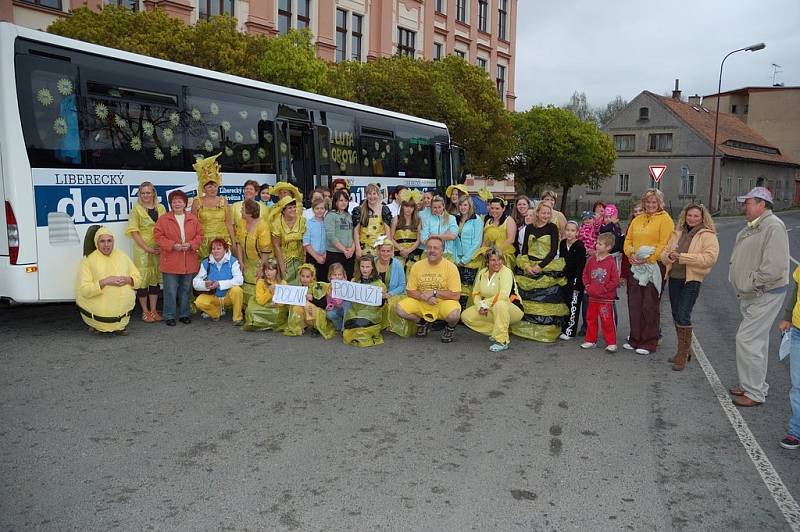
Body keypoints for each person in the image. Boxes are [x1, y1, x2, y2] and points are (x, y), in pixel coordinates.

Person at [728, 187, 789, 407]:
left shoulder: (773, 226)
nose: (745, 206)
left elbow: (774, 267)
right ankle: (753, 385)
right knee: (757, 342)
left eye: (749, 202)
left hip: (764, 293)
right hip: (753, 293)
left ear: (762, 204)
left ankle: (754, 392)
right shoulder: (757, 226)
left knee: (747, 340)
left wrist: (751, 283)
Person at [661, 203, 719, 371]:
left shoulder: (707, 235)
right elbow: (664, 253)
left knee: (683, 314)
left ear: (702, 218)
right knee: (675, 314)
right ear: (684, 216)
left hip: (691, 280)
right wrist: (669, 257)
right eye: (689, 215)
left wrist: (683, 257)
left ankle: (682, 354)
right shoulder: (678, 233)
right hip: (674, 277)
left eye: (696, 216)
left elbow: (709, 258)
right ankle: (684, 351)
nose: (692, 219)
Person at [623, 188, 674, 355]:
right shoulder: (638, 219)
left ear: (660, 203)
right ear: (644, 203)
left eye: (654, 202)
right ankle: (634, 339)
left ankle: (649, 342)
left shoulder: (665, 220)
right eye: (648, 202)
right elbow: (628, 239)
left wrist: (648, 259)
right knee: (634, 303)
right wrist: (630, 254)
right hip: (635, 265)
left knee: (649, 305)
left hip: (654, 266)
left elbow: (664, 244)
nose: (651, 205)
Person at [511, 202, 568, 342]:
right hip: (529, 264)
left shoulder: (552, 228)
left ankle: (544, 330)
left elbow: (553, 251)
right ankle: (523, 327)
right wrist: (526, 266)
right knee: (525, 297)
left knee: (544, 299)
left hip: (546, 265)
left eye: (548, 213)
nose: (546, 216)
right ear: (537, 213)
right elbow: (524, 249)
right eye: (543, 213)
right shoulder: (529, 228)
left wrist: (540, 266)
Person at [396, 236, 462, 343]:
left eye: (436, 248)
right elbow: (410, 291)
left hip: (442, 303)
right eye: (429, 247)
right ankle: (422, 323)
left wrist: (434, 293)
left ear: (442, 251)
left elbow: (455, 295)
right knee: (400, 309)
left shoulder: (451, 267)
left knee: (454, 315)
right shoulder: (417, 266)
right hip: (422, 301)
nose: (432, 250)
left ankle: (449, 328)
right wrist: (425, 297)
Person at [76, 227, 141, 335]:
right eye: (102, 241)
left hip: (123, 319)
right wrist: (105, 282)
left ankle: (119, 326)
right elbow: (84, 290)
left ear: (113, 242)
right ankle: (97, 325)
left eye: (109, 241)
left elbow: (138, 279)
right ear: (97, 243)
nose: (106, 244)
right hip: (98, 317)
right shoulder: (88, 260)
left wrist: (128, 280)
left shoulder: (122, 256)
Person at [154, 190, 203, 326]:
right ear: (170, 204)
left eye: (180, 201)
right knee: (170, 290)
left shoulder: (193, 218)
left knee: (185, 289)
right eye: (174, 201)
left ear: (185, 203)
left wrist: (191, 244)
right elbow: (158, 237)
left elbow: (200, 236)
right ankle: (169, 315)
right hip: (171, 261)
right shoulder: (164, 219)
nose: (177, 203)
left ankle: (184, 314)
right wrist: (173, 246)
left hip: (189, 260)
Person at [462, 247, 524, 352]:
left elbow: (504, 295)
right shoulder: (482, 273)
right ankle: (499, 330)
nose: (497, 263)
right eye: (493, 260)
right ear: (487, 262)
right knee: (466, 316)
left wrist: (485, 304)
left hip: (512, 308)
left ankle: (502, 340)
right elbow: (476, 293)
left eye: (500, 259)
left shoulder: (506, 272)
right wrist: (479, 306)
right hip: (491, 307)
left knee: (500, 304)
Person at [126, 181, 166, 322]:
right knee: (142, 281)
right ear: (139, 194)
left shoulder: (161, 208)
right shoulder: (136, 209)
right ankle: (145, 311)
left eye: (148, 192)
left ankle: (154, 310)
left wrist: (162, 245)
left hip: (158, 247)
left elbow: (166, 228)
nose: (145, 195)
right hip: (142, 249)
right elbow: (134, 232)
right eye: (142, 193)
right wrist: (147, 248)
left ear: (153, 193)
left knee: (154, 280)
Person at [189, 153, 237, 260]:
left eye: (215, 186)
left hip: (222, 242)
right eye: (209, 186)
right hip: (204, 243)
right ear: (204, 188)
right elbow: (193, 225)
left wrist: (233, 242)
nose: (213, 189)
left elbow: (229, 223)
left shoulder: (223, 201)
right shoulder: (197, 202)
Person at [580, 233, 620, 352]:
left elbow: (615, 280)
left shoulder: (611, 261)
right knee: (590, 319)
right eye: (597, 243)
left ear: (608, 247)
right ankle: (591, 340)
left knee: (607, 321)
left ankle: (611, 342)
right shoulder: (591, 260)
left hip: (606, 299)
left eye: (600, 244)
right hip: (592, 297)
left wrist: (604, 289)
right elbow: (585, 274)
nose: (597, 246)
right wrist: (587, 286)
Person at [193, 239, 244, 325]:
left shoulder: (233, 261)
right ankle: (216, 313)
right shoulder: (206, 262)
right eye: (213, 249)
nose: (215, 251)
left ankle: (237, 318)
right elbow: (195, 283)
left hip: (228, 297)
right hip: (214, 296)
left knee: (237, 290)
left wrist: (219, 284)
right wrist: (205, 284)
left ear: (225, 249)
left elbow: (239, 280)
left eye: (218, 248)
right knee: (199, 301)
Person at [777, 264, 800, 449]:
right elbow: (797, 287)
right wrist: (787, 316)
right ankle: (795, 433)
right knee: (797, 386)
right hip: (798, 329)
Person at [343, 254, 388, 347]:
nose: (365, 269)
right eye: (362, 266)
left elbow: (381, 305)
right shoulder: (354, 281)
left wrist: (382, 297)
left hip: (372, 313)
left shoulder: (379, 283)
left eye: (367, 266)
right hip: (355, 311)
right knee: (353, 324)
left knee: (361, 324)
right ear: (359, 267)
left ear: (372, 267)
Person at [235, 199, 272, 305]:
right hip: (246, 263)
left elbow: (266, 250)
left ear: (249, 213)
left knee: (258, 289)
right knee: (245, 288)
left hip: (259, 263)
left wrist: (261, 268)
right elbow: (238, 243)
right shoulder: (242, 222)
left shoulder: (262, 225)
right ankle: (246, 311)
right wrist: (240, 261)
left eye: (242, 209)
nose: (241, 211)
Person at [374, 238, 414, 338]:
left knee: (392, 304)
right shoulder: (373, 262)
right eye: (383, 251)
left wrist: (388, 294)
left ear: (392, 252)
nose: (385, 254)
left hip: (393, 294)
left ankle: (389, 324)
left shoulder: (397, 264)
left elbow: (402, 285)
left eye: (388, 251)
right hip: (375, 294)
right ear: (378, 251)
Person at [284, 263, 336, 338]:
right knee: (296, 307)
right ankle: (301, 325)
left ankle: (316, 328)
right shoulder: (299, 288)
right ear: (299, 276)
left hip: (316, 312)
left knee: (310, 307)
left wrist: (312, 299)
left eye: (307, 277)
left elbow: (323, 304)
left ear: (312, 277)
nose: (305, 279)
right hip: (306, 313)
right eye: (303, 276)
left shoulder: (317, 287)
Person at [454, 196, 485, 307]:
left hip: (471, 260)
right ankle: (459, 312)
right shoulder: (455, 219)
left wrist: (464, 260)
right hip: (457, 259)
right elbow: (453, 240)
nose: (463, 207)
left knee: (468, 288)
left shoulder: (476, 220)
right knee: (458, 287)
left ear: (470, 206)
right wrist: (456, 259)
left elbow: (477, 242)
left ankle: (466, 312)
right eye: (461, 205)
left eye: (465, 205)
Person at [242, 258, 288, 332]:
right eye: (266, 270)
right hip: (263, 305)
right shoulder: (260, 282)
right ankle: (261, 323)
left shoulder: (283, 283)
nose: (268, 272)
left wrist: (276, 304)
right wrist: (269, 292)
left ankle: (269, 323)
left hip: (276, 306)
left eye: (271, 270)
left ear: (277, 271)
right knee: (251, 311)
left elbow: (284, 301)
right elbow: (260, 301)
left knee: (278, 312)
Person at [559, 221, 586, 340]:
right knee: (565, 303)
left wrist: (579, 285)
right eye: (568, 230)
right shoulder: (563, 243)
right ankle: (564, 327)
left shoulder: (580, 246)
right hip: (565, 279)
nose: (569, 233)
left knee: (573, 304)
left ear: (577, 233)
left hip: (576, 279)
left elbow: (581, 267)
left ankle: (570, 330)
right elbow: (561, 261)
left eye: (572, 231)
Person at [271, 196, 306, 284]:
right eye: (290, 208)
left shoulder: (302, 220)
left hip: (300, 259)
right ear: (283, 210)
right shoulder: (276, 223)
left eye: (294, 207)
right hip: (284, 260)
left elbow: (305, 241)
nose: (293, 209)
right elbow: (276, 245)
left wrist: (305, 259)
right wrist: (282, 264)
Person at [353, 183, 392, 257]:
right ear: (366, 195)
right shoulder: (359, 210)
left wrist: (387, 249)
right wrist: (358, 249)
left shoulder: (384, 209)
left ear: (378, 195)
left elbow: (387, 232)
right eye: (369, 194)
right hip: (363, 249)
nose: (372, 196)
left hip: (380, 249)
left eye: (374, 193)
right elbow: (356, 231)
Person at [324, 189, 356, 279]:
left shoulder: (349, 215)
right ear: (335, 201)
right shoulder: (330, 215)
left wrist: (352, 249)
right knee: (335, 281)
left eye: (346, 200)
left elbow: (353, 234)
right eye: (341, 200)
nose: (344, 203)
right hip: (335, 254)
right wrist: (344, 250)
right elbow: (331, 236)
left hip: (349, 254)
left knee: (348, 279)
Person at [481, 197, 517, 269]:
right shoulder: (488, 221)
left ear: (503, 209)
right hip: (489, 256)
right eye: (492, 208)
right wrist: (484, 252)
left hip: (503, 256)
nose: (494, 210)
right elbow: (485, 241)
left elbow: (511, 239)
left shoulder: (509, 220)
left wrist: (495, 253)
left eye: (497, 208)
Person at [391, 189, 422, 272]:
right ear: (402, 206)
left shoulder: (418, 220)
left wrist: (408, 251)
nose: (409, 209)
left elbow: (418, 240)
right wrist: (401, 249)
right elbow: (391, 238)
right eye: (406, 206)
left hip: (413, 256)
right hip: (398, 254)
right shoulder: (396, 219)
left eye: (411, 207)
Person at [420, 196, 458, 260]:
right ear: (431, 208)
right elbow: (423, 239)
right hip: (430, 254)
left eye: (439, 207)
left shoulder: (451, 218)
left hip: (447, 254)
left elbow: (453, 236)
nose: (437, 210)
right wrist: (445, 236)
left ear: (443, 206)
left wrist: (434, 236)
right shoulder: (427, 220)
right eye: (434, 207)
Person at [303, 197, 327, 267]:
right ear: (313, 210)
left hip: (325, 256)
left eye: (322, 208)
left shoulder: (327, 223)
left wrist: (325, 255)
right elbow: (306, 243)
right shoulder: (309, 224)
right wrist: (317, 257)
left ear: (325, 210)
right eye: (317, 208)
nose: (319, 210)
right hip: (312, 256)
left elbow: (330, 240)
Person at [325, 262, 348, 332]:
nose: (337, 277)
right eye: (335, 275)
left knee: (347, 303)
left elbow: (343, 301)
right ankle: (339, 326)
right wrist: (329, 305)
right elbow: (329, 302)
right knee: (329, 314)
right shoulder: (329, 287)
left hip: (346, 310)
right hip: (337, 309)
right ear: (330, 276)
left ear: (343, 275)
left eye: (339, 274)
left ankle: (345, 327)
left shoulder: (347, 285)